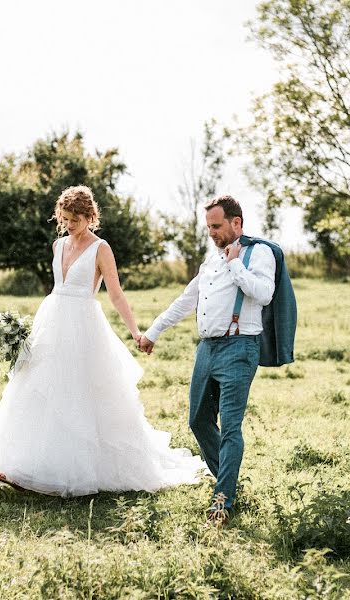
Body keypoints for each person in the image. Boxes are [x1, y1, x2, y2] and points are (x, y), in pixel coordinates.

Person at [0, 185, 206, 497]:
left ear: (90, 217)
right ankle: (23, 466)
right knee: (35, 387)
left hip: (83, 326)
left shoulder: (101, 249)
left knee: (76, 394)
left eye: (74, 219)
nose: (68, 224)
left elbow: (115, 293)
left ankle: (68, 471)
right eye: (64, 219)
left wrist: (136, 332)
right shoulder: (58, 245)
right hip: (52, 320)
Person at [138, 195, 276, 525]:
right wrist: (154, 331)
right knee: (198, 420)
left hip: (240, 348)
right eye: (208, 227)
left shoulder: (260, 254)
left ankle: (223, 499)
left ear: (236, 223)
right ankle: (227, 482)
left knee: (230, 427)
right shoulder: (210, 261)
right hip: (207, 349)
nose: (212, 233)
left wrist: (235, 264)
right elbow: (187, 300)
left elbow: (264, 293)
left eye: (216, 226)